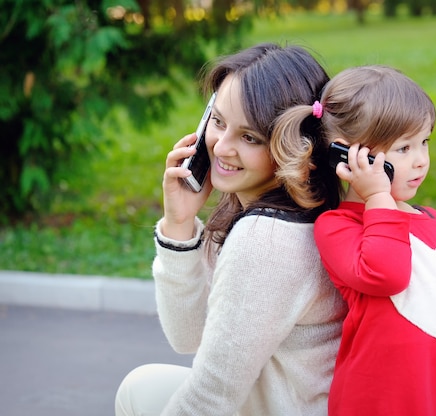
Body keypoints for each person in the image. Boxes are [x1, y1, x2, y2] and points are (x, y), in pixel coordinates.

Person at [114, 43, 348, 416]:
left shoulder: (265, 242)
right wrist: (178, 225)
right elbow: (188, 336)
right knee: (142, 386)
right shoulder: (292, 211)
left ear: (294, 148)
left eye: (250, 137)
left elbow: (211, 399)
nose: (221, 147)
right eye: (219, 121)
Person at [272, 65, 436, 415]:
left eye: (424, 142)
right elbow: (386, 274)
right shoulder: (338, 227)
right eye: (403, 148)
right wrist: (379, 198)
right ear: (350, 155)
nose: (421, 161)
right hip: (373, 404)